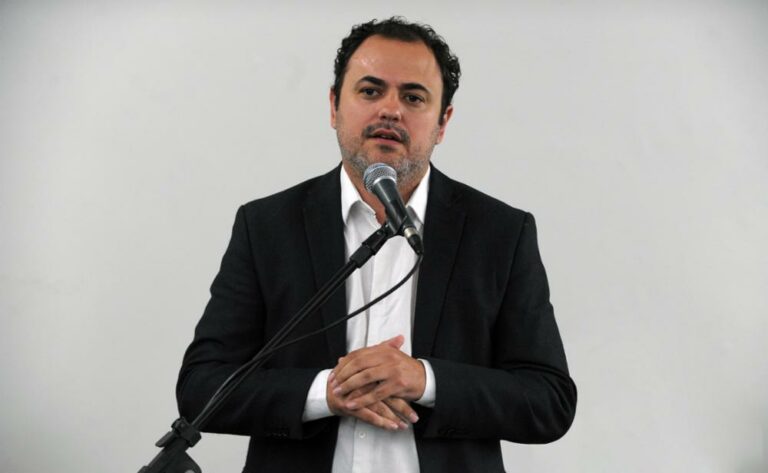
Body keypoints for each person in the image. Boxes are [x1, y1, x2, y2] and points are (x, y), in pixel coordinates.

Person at [176, 17, 577, 473]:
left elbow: (550, 400)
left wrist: (424, 380)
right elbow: (200, 387)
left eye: (413, 97)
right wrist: (327, 392)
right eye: (370, 91)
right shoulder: (267, 226)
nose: (390, 110)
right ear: (334, 106)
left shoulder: (500, 232)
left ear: (443, 122)